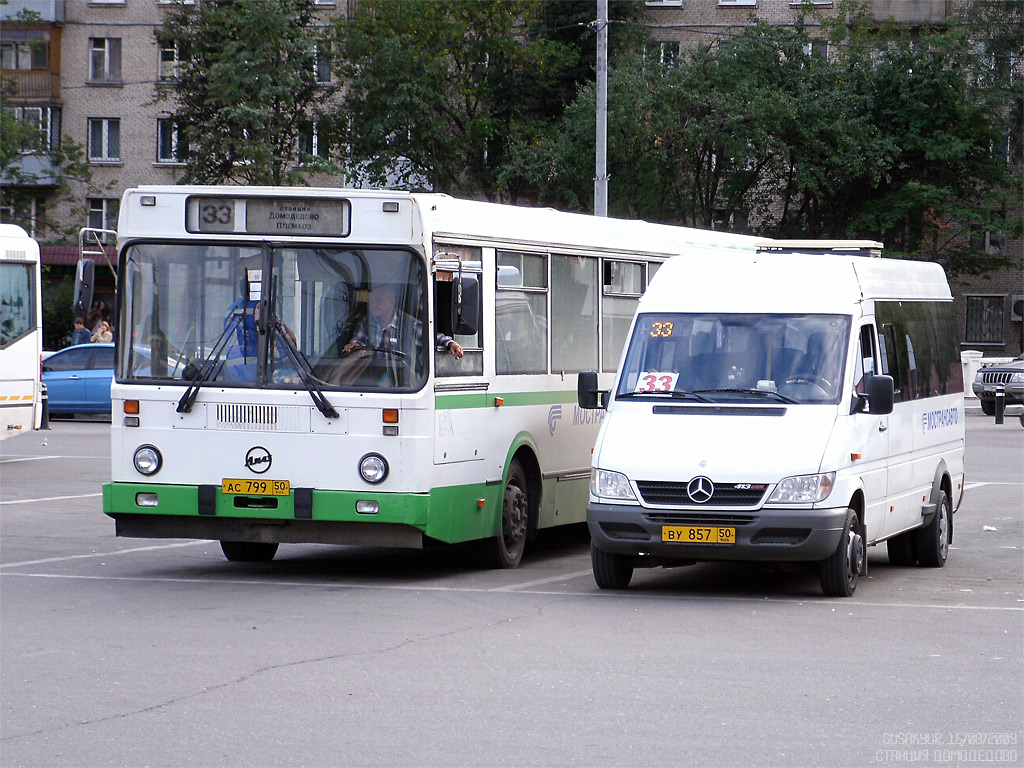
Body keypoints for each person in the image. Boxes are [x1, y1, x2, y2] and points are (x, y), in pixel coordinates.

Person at [343, 284, 463, 359]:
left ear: (392, 301)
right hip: (370, 378)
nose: (373, 305)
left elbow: (433, 338)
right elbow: (358, 342)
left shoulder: (409, 325)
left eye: (378, 301)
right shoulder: (366, 323)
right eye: (372, 300)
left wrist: (451, 344)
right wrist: (355, 347)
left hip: (401, 383)